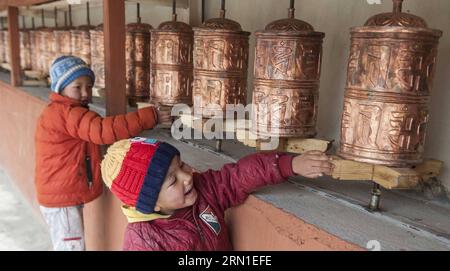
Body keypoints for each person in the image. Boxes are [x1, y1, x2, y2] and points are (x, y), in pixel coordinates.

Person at [34, 56, 171, 251]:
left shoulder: (60, 111)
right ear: (60, 89)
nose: (85, 92)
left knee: (68, 243)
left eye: (89, 86)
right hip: (61, 198)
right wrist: (151, 116)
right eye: (77, 87)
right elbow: (102, 131)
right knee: (71, 246)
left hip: (59, 194)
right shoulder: (67, 113)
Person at [101, 137, 334, 250]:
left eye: (181, 165)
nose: (187, 175)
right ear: (152, 205)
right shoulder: (143, 241)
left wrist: (289, 165)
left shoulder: (205, 190)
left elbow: (238, 176)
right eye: (173, 180)